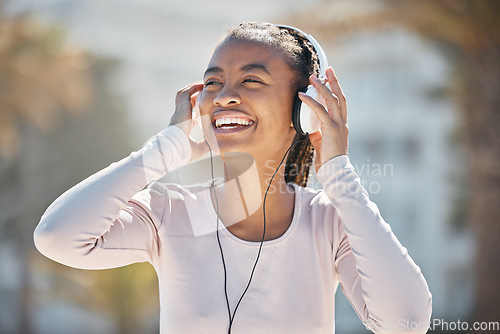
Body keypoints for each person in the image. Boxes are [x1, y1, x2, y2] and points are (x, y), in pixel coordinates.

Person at [34, 22, 432, 334]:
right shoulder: (169, 213)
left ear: (305, 111)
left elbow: (406, 322)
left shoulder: (331, 222)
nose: (224, 95)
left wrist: (338, 172)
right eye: (212, 82)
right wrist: (165, 150)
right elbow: (58, 238)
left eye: (251, 80)